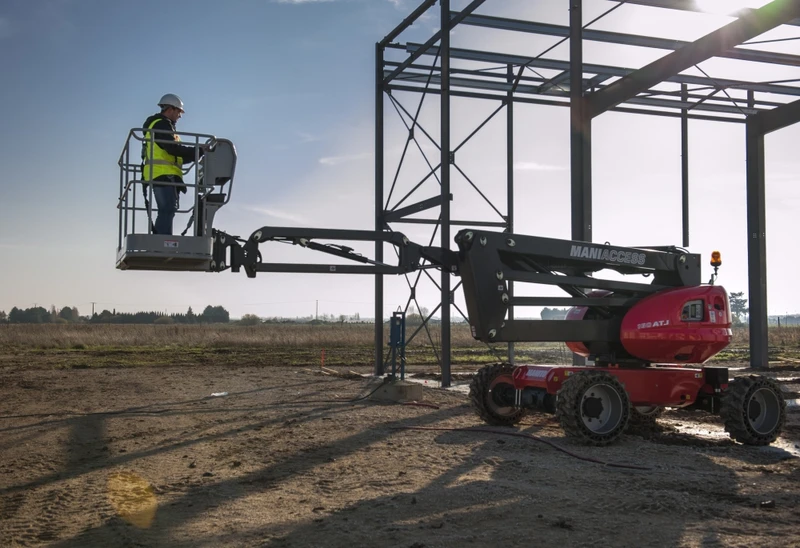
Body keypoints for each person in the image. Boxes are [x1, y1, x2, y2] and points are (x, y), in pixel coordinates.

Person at [141, 93, 204, 235]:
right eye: (179, 112)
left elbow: (176, 156)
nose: (180, 116)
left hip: (161, 173)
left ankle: (162, 240)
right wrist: (198, 150)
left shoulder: (161, 126)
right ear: (170, 109)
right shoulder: (161, 125)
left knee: (168, 210)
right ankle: (161, 242)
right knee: (167, 209)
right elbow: (173, 149)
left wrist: (196, 154)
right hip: (163, 174)